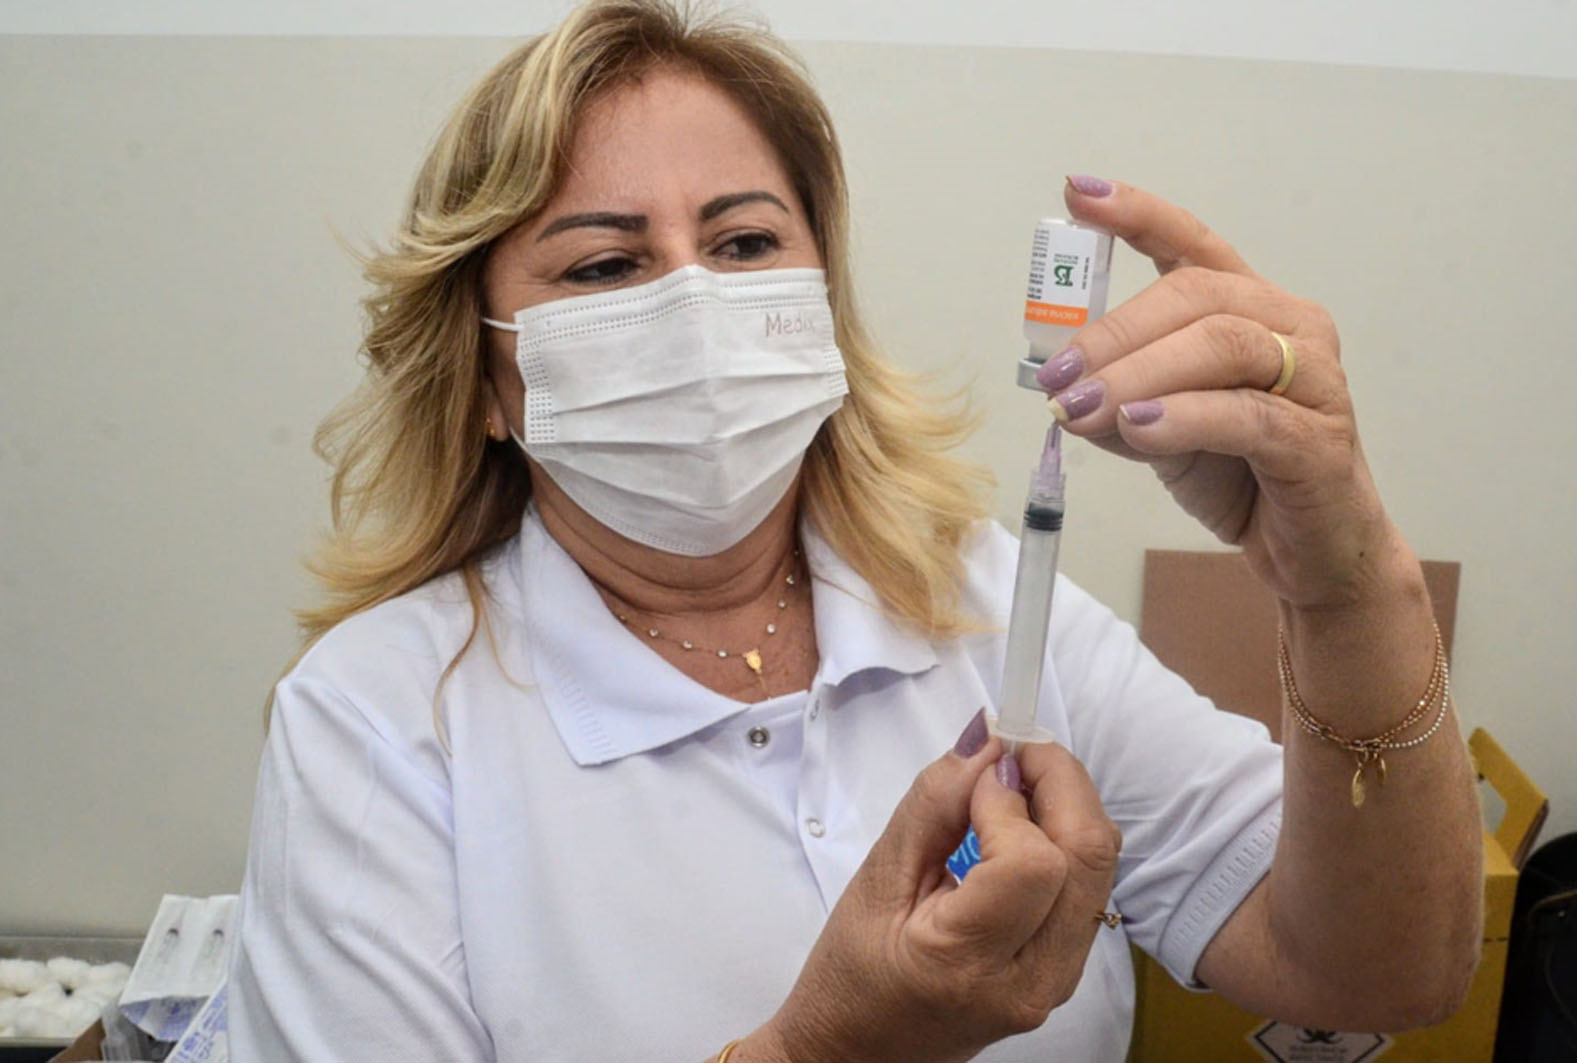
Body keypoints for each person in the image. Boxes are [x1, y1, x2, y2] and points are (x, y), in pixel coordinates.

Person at [226, 2, 1484, 1060]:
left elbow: (1379, 972)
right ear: (486, 380)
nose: (695, 301)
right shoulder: (377, 720)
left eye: (743, 242)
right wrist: (825, 1048)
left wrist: (1342, 582)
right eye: (604, 267)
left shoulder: (981, 598)